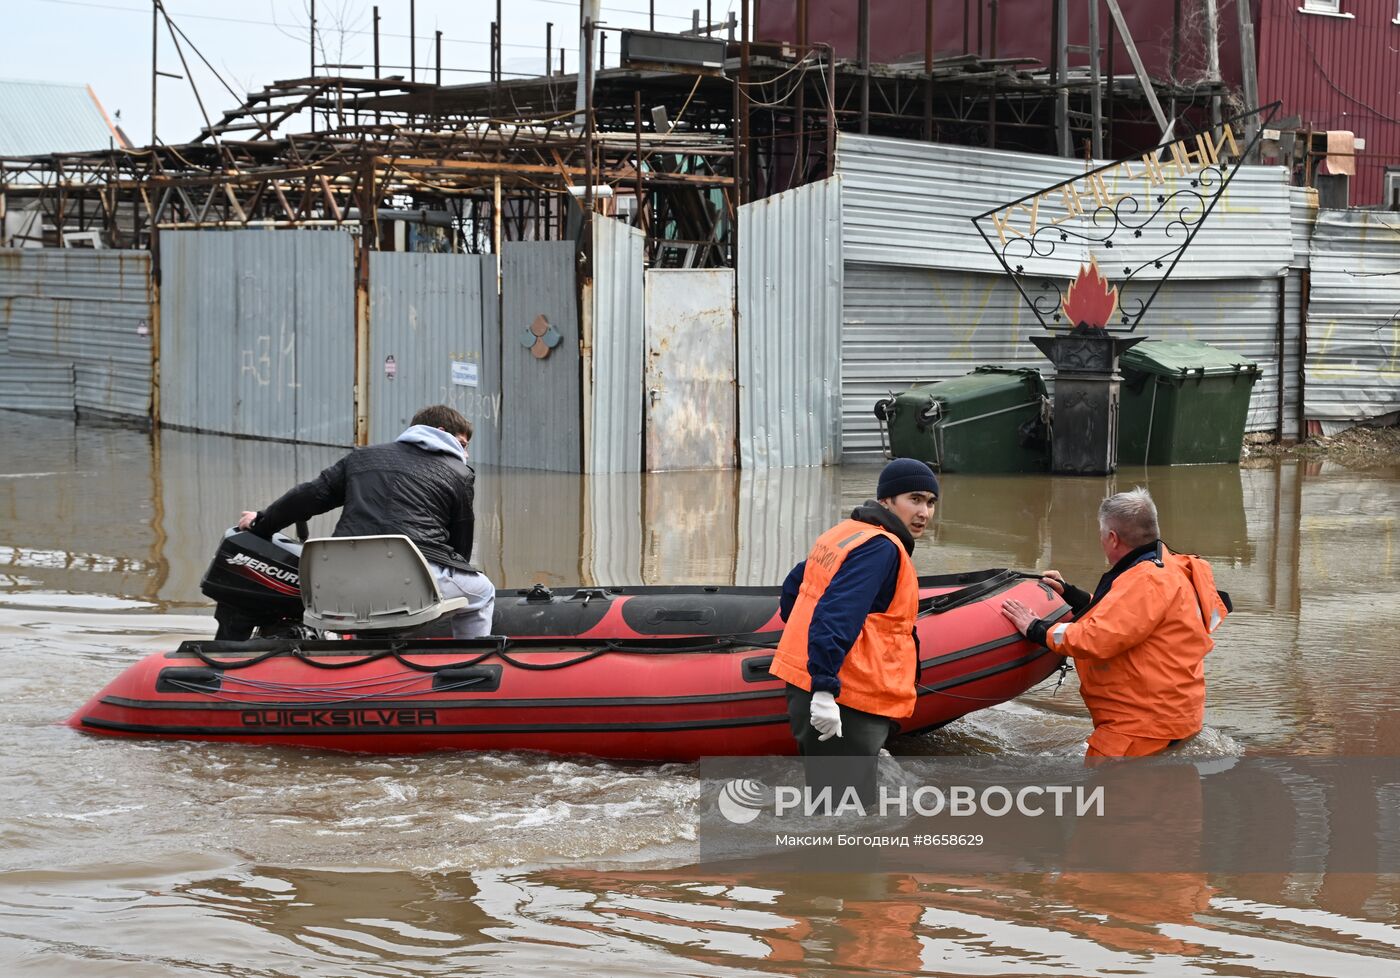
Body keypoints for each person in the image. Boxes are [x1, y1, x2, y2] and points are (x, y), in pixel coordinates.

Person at [1000, 487, 1230, 760]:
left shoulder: (1145, 582)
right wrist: (1073, 595)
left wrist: (1035, 628)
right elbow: (1128, 618)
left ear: (1112, 538)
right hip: (1181, 720)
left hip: (1139, 730)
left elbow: (1092, 639)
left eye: (1101, 536)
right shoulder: (1171, 567)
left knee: (1106, 799)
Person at [237, 404, 495, 639]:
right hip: (411, 586)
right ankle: (470, 666)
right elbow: (459, 548)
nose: (466, 453)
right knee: (483, 592)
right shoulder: (459, 473)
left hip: (340, 584)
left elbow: (307, 497)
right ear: (440, 431)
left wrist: (262, 522)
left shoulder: (362, 457)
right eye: (462, 444)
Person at [768, 458, 939, 804]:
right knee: (846, 817)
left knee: (830, 805)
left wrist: (812, 667)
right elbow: (837, 613)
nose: (924, 512)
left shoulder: (844, 533)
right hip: (846, 697)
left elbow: (793, 591)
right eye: (915, 499)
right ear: (888, 500)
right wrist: (825, 687)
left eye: (931, 502)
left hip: (810, 685)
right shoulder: (881, 548)